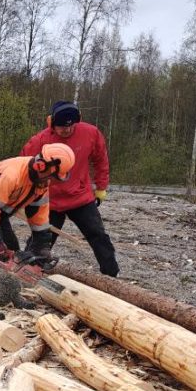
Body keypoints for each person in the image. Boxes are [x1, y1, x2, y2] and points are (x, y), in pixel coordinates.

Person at [0, 143, 75, 319]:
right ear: (41, 166)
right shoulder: (13, 175)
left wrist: (42, 246)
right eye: (53, 176)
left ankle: (8, 295)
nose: (53, 181)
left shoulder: (41, 184)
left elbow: (39, 217)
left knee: (11, 247)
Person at [22, 101, 118, 276]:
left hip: (80, 197)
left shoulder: (90, 133)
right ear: (51, 123)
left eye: (70, 126)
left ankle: (112, 276)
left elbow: (101, 160)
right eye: (61, 127)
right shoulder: (41, 140)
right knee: (41, 239)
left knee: (98, 236)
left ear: (77, 120)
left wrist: (101, 187)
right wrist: (24, 194)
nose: (66, 130)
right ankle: (27, 273)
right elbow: (23, 164)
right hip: (51, 201)